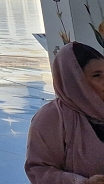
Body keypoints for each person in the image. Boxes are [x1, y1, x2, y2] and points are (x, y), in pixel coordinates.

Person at [26, 41, 104, 182]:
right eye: (97, 75)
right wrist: (81, 182)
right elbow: (38, 171)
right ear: (74, 80)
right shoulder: (51, 118)